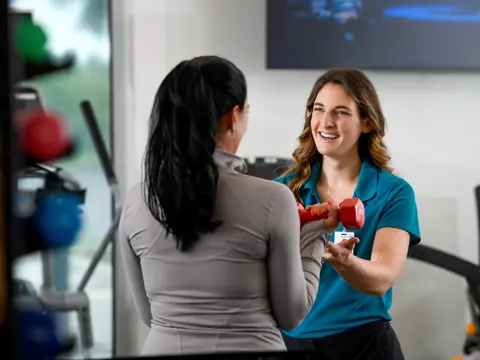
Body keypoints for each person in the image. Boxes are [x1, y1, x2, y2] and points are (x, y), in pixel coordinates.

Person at [118, 55, 338, 356]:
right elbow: (292, 315)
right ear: (233, 117)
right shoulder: (273, 199)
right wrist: (315, 234)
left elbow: (149, 315)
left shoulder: (134, 200)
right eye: (246, 111)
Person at [274, 68, 421, 360]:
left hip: (362, 345)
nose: (325, 122)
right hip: (289, 342)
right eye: (319, 110)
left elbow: (382, 278)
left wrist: (344, 261)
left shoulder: (394, 193)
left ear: (366, 122)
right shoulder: (281, 192)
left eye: (341, 112)